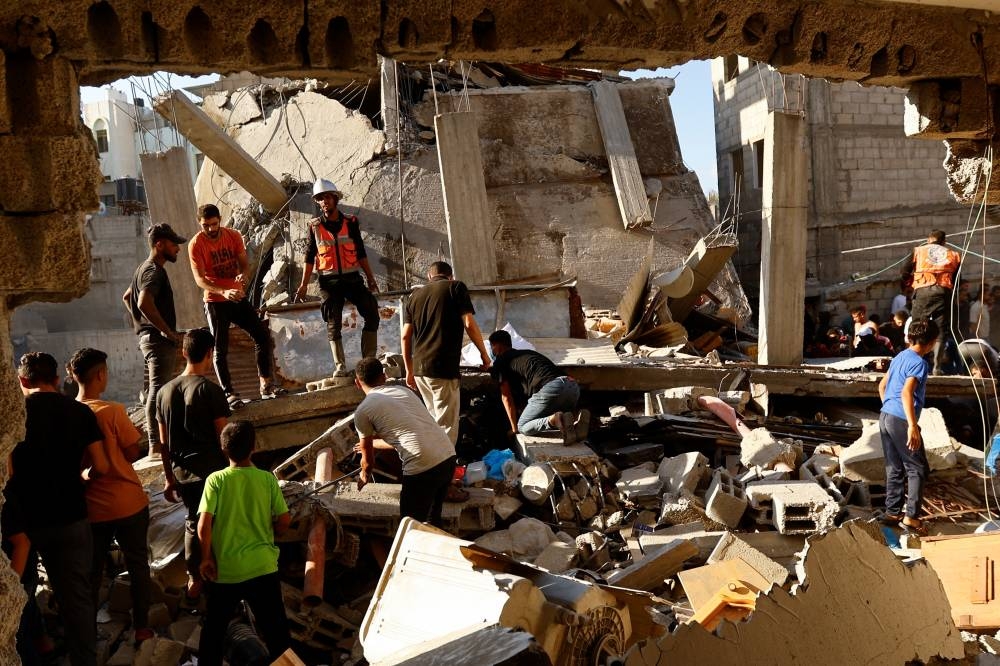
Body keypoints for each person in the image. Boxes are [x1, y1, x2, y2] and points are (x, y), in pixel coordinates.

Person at [11, 352, 108, 666]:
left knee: (20, 594)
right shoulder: (79, 412)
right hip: (71, 516)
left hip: (24, 522)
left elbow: (8, 471)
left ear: (24, 380)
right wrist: (82, 476)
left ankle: (33, 650)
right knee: (76, 598)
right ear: (56, 379)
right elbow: (102, 465)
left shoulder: (15, 414)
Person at [68, 348, 154, 643]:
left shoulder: (68, 414)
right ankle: (142, 627)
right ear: (101, 375)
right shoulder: (113, 411)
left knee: (91, 572)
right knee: (138, 564)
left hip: (92, 508)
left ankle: (88, 632)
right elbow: (132, 452)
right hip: (128, 502)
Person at [197, 421, 290, 665]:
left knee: (214, 632)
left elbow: (203, 526)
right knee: (277, 632)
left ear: (223, 448)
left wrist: (206, 558)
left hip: (227, 570)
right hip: (263, 566)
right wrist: (272, 532)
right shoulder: (267, 479)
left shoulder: (215, 480)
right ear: (254, 448)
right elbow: (284, 520)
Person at [157, 328, 231, 605]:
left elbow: (163, 444)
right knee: (217, 524)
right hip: (213, 473)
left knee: (193, 521)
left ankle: (194, 579)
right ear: (210, 354)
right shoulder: (210, 391)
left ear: (184, 352)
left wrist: (168, 478)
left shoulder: (164, 392)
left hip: (182, 474)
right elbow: (224, 437)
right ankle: (218, 577)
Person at [189, 204, 283, 406]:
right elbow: (199, 280)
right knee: (220, 349)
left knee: (262, 336)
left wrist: (243, 275)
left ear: (220, 220)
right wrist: (223, 291)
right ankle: (228, 393)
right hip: (215, 302)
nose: (211, 229)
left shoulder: (233, 236)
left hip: (238, 297)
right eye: (206, 226)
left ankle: (266, 384)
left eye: (214, 224)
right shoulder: (196, 244)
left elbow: (244, 264)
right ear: (200, 224)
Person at [354, 358, 457, 527]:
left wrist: (364, 475)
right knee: (432, 521)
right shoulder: (404, 391)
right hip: (447, 455)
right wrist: (373, 444)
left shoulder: (363, 411)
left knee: (410, 526)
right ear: (384, 377)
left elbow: (368, 460)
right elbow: (406, 435)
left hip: (422, 467)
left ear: (357, 383)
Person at [295, 179, 379, 378]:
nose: (324, 202)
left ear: (335, 199)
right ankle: (340, 366)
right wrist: (304, 285)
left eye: (327, 197)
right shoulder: (314, 227)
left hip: (352, 279)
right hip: (329, 282)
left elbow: (360, 252)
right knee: (333, 321)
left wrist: (371, 278)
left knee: (372, 313)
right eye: (320, 199)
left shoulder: (350, 222)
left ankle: (369, 360)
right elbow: (309, 257)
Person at [402, 261, 491, 444]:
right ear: (450, 276)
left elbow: (405, 337)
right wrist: (484, 354)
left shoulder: (414, 296)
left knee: (434, 423)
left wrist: (409, 370)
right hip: (442, 368)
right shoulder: (456, 287)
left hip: (420, 369)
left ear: (429, 277)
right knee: (447, 427)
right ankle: (446, 469)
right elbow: (468, 324)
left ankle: (436, 466)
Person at [123, 223, 187, 454]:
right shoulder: (152, 271)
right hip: (157, 341)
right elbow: (142, 302)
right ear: (159, 244)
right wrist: (165, 331)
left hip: (150, 337)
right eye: (173, 245)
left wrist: (141, 324)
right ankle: (156, 446)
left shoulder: (143, 268)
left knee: (157, 389)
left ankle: (158, 444)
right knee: (157, 391)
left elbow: (127, 297)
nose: (177, 249)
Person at [877, 318, 940, 535]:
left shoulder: (899, 357)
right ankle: (912, 517)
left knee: (894, 467)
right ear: (932, 342)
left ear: (910, 337)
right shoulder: (920, 363)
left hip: (885, 416)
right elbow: (907, 392)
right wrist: (912, 425)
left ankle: (892, 513)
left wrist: (888, 407)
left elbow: (882, 385)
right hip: (901, 419)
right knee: (917, 468)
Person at [487, 330, 589, 443]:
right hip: (572, 386)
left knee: (524, 426)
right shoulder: (526, 353)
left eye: (491, 346)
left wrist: (514, 428)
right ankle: (575, 421)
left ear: (498, 346)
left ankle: (555, 419)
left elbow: (506, 397)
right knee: (550, 420)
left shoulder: (501, 361)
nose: (491, 350)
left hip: (552, 388)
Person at [903, 230, 961, 374]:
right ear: (944, 241)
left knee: (917, 327)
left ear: (929, 240)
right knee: (942, 330)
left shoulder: (918, 251)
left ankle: (913, 363)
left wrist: (909, 281)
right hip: (943, 293)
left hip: (922, 292)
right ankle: (937, 367)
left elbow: (904, 272)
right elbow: (957, 280)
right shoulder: (953, 255)